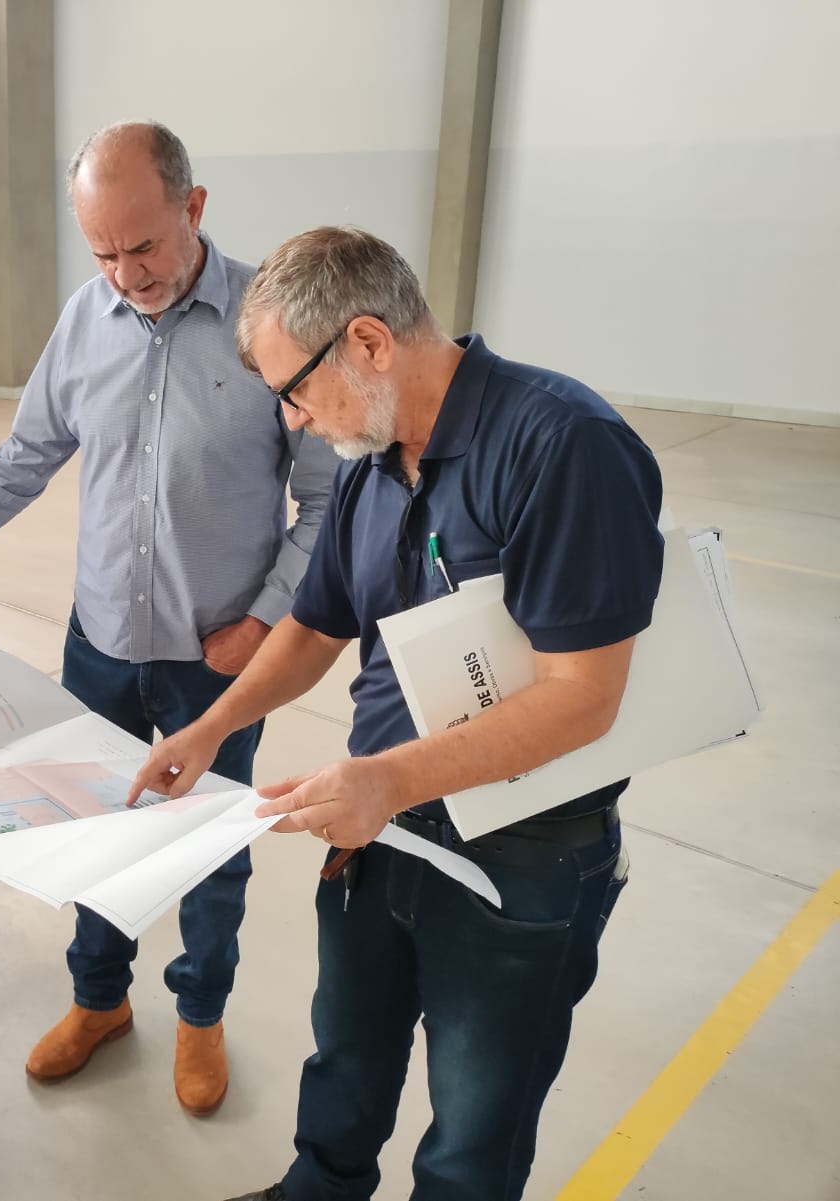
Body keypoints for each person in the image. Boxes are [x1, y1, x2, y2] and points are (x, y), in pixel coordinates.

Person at [126, 227, 664, 1201]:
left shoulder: (559, 445)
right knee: (346, 1056)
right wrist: (209, 727)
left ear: (368, 342)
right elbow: (314, 624)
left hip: (520, 851)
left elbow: (584, 696)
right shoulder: (373, 459)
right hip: (377, 834)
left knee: (473, 1122)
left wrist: (384, 778)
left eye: (295, 389)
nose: (292, 421)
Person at [0, 121, 338, 1114]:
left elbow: (329, 502)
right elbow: (21, 461)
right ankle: (99, 999)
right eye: (104, 253)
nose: (126, 273)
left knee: (211, 846)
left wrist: (260, 621)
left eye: (144, 246)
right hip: (102, 647)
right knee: (97, 831)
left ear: (193, 208)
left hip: (221, 659)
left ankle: (199, 1016)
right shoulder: (85, 318)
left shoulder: (271, 324)